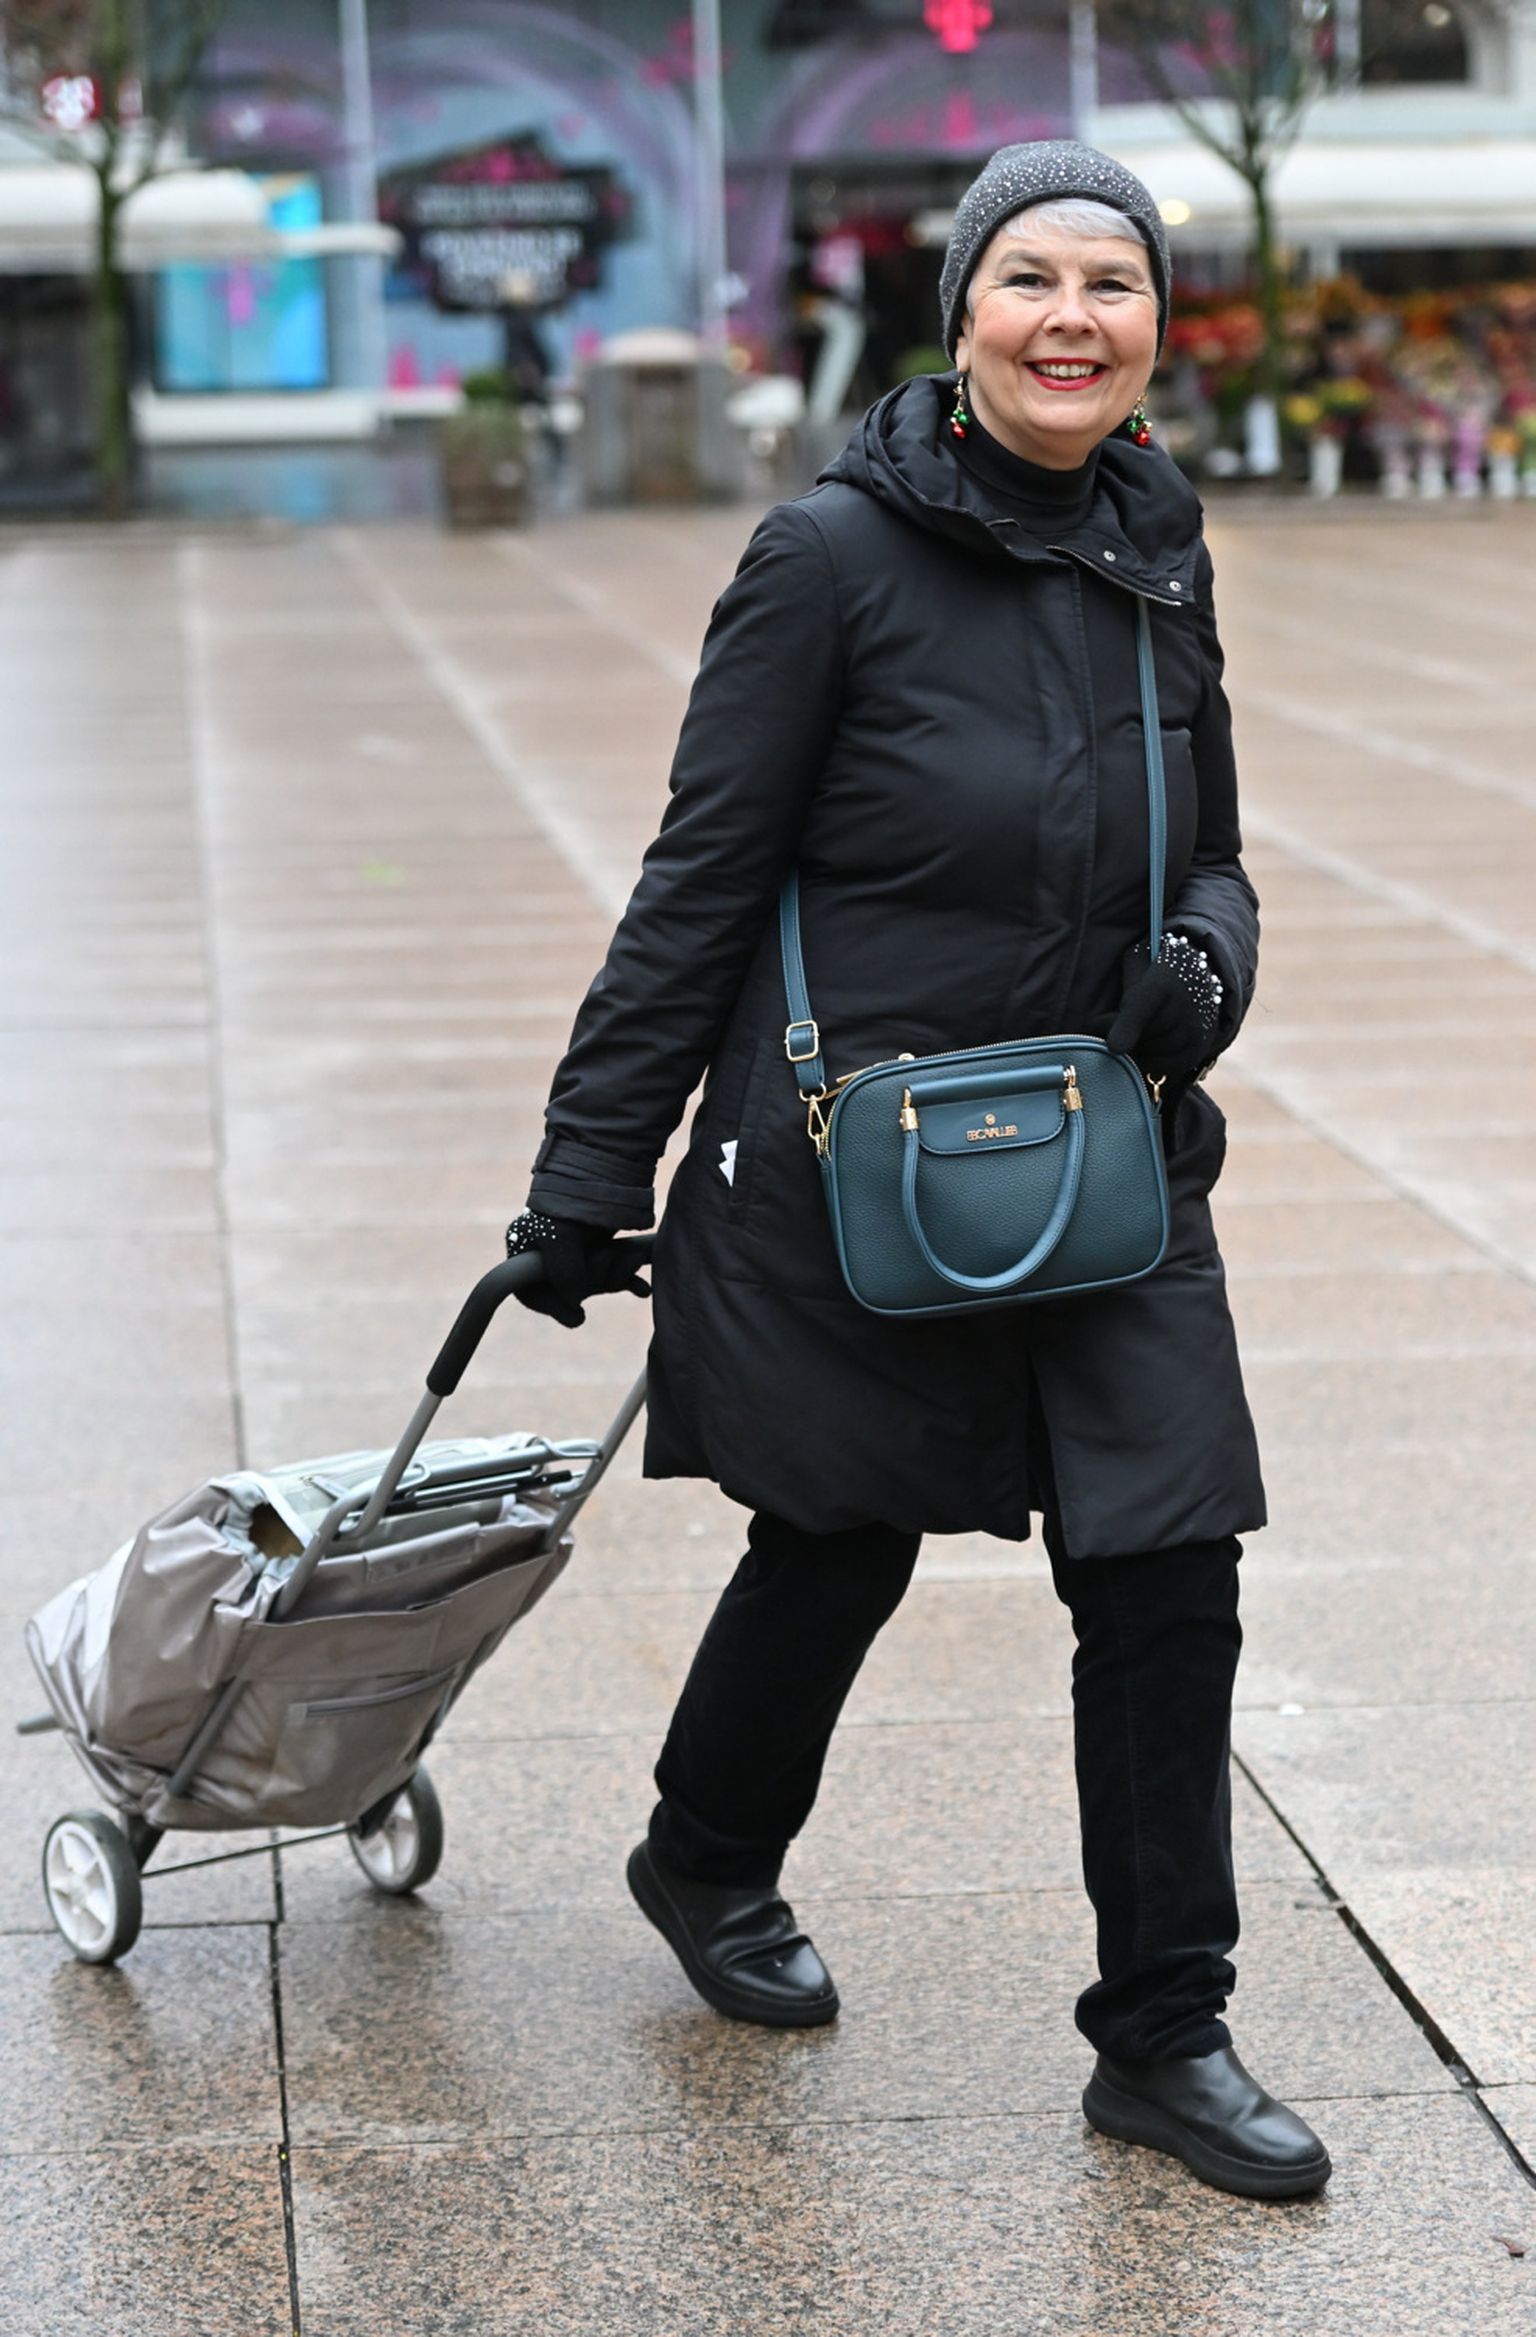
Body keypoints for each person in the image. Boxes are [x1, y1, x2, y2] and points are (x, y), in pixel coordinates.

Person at [505, 140, 1330, 2202]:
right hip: (856, 1159)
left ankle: (1166, 2031)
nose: (1074, 319)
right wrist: (589, 1172)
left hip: (1107, 1149)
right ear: (960, 313)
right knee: (840, 1533)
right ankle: (707, 1852)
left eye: (1114, 286)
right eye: (1031, 278)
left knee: (1169, 1566)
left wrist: (1206, 961)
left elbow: (1220, 846)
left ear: (1155, 331)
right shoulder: (828, 558)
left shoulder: (1156, 539)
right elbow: (700, 879)